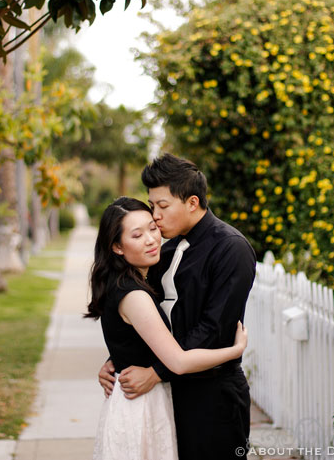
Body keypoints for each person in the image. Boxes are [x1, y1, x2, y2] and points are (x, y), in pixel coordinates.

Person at [99, 154, 257, 460]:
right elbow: (148, 318)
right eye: (152, 205)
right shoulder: (166, 249)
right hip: (170, 394)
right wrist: (118, 356)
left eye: (162, 206)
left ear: (192, 203)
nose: (154, 216)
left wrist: (156, 372)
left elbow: (213, 330)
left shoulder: (230, 249)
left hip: (212, 395)